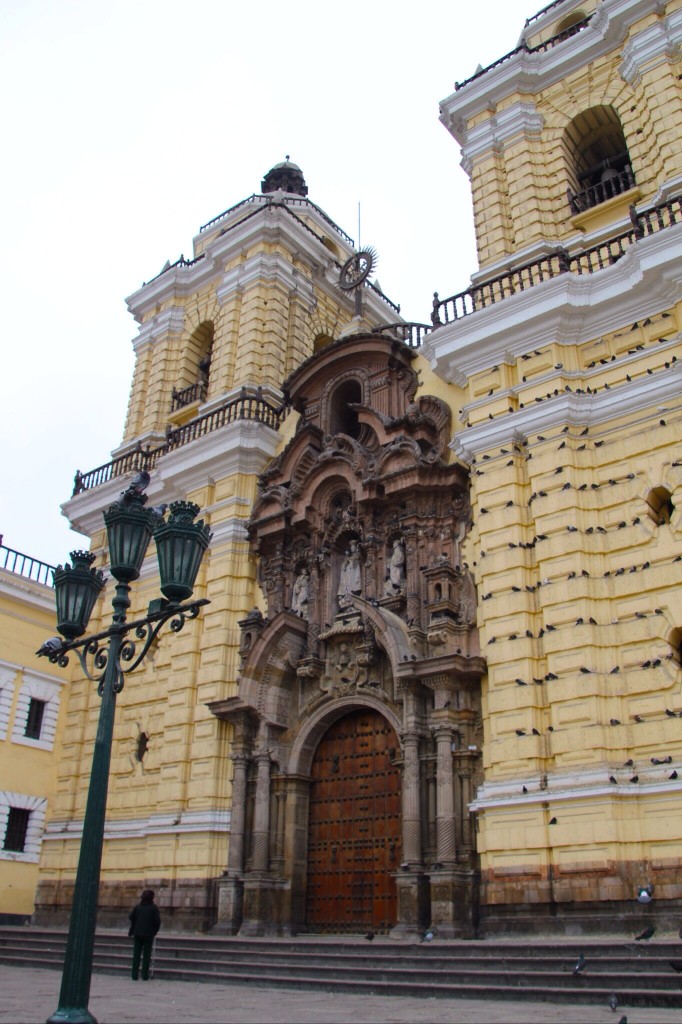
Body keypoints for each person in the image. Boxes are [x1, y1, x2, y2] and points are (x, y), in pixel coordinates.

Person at [128, 888, 161, 980]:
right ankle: (144, 975)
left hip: (137, 933)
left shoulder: (138, 907)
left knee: (136, 954)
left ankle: (134, 975)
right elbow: (157, 921)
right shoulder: (153, 908)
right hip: (148, 934)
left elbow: (131, 917)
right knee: (146, 955)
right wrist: (155, 931)